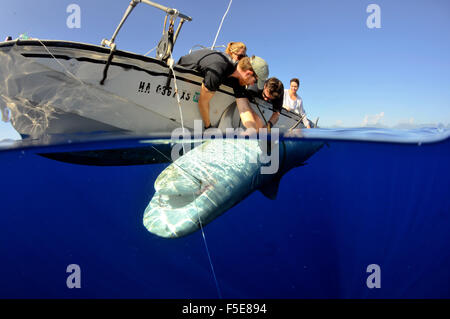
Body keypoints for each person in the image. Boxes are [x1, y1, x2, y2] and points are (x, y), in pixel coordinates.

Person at [177, 49, 268, 129]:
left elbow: (244, 109)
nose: (252, 84)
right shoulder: (218, 69)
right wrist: (208, 127)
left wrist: (251, 130)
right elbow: (203, 102)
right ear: (248, 73)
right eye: (255, 81)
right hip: (180, 73)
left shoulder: (238, 81)